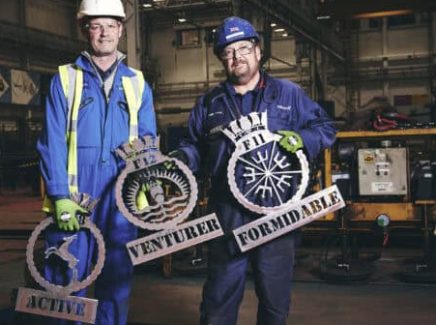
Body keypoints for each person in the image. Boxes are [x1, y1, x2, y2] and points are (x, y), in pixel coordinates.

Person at [170, 16, 336, 325]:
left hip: (278, 215)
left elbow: (325, 128)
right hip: (228, 217)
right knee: (218, 302)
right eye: (228, 52)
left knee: (274, 304)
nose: (237, 57)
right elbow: (194, 146)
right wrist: (180, 158)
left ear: (258, 51)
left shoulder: (288, 94)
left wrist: (303, 139)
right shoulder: (209, 103)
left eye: (243, 48)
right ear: (222, 59)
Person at [36, 0, 157, 323]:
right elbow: (51, 142)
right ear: (84, 30)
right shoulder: (64, 79)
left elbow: (148, 143)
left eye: (110, 25)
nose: (103, 33)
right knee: (66, 280)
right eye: (95, 25)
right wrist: (60, 195)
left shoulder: (137, 83)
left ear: (120, 30)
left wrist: (150, 192)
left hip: (121, 198)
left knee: (116, 282)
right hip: (75, 199)